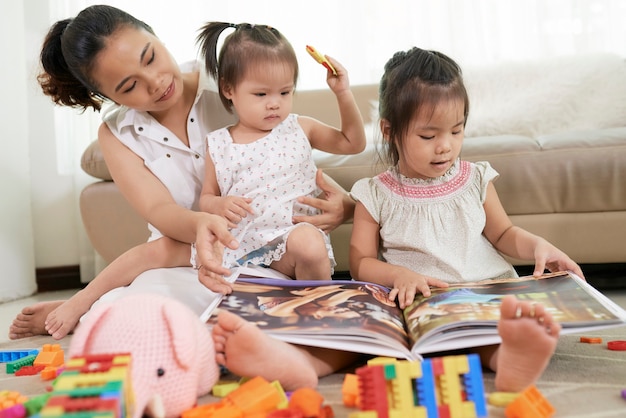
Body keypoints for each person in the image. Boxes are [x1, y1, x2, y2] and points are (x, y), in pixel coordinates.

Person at [8, 5, 355, 341]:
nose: (156, 83)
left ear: (156, 35)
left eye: (151, 57)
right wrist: (203, 224)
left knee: (250, 318)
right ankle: (95, 304)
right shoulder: (118, 134)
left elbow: (289, 158)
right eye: (129, 87)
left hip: (266, 241)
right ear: (106, 95)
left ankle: (97, 304)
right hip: (185, 252)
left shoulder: (228, 81)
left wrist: (347, 206)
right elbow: (159, 211)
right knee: (139, 325)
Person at [348, 47, 585, 391]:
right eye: (428, 136)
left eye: (456, 131)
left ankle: (511, 362)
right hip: (423, 303)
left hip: (482, 294)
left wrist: (537, 245)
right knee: (391, 343)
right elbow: (360, 262)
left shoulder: (475, 179)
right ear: (389, 131)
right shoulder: (374, 193)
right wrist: (398, 273)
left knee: (494, 337)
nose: (445, 146)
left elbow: (503, 233)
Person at [195, 22, 366, 283]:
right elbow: (207, 197)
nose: (275, 103)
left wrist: (342, 92)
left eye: (285, 92)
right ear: (229, 89)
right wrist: (218, 204)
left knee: (309, 242)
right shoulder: (219, 144)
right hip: (245, 247)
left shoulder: (299, 127)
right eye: (261, 93)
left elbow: (353, 143)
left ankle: (321, 310)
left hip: (293, 241)